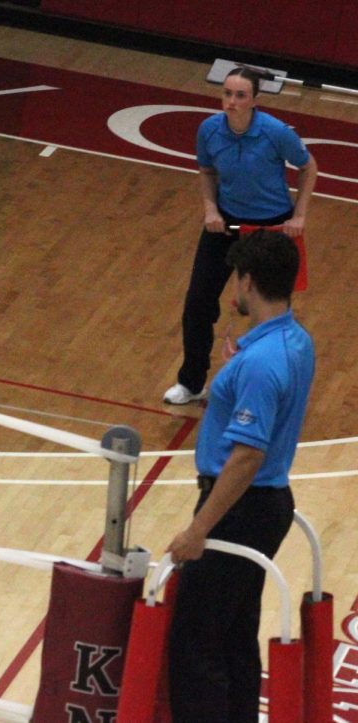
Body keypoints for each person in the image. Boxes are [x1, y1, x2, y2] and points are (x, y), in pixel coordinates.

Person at [165, 229, 314, 721]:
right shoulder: (294, 341)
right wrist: (237, 370)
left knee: (195, 643)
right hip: (267, 503)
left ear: (247, 280)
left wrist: (198, 530)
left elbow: (246, 457)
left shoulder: (261, 363)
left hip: (238, 508)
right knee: (233, 636)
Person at [164, 66, 317, 405]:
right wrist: (211, 209)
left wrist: (300, 214)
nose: (231, 102)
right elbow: (206, 171)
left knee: (267, 314)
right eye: (227, 94)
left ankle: (271, 387)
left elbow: (308, 167)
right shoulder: (209, 130)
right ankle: (191, 383)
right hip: (226, 226)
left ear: (254, 100)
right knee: (198, 303)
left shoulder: (275, 133)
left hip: (269, 231)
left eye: (240, 96)